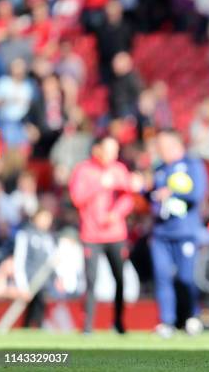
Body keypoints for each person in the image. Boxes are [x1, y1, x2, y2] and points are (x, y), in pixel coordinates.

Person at [69, 135, 140, 334]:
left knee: (120, 278)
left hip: (115, 233)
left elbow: (128, 197)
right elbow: (77, 198)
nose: (114, 155)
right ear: (97, 150)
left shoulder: (119, 169)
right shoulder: (83, 170)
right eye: (110, 150)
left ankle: (118, 322)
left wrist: (115, 214)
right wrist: (100, 184)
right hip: (91, 235)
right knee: (91, 280)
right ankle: (87, 326)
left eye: (116, 151)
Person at [148, 129, 208, 338]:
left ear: (176, 145)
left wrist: (172, 193)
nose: (159, 150)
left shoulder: (192, 165)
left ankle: (191, 316)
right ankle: (167, 321)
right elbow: (153, 197)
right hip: (161, 232)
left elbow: (197, 194)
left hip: (185, 232)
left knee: (185, 277)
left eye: (162, 146)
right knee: (162, 276)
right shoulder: (159, 168)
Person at [13, 207, 57, 328]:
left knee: (40, 309)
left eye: (49, 219)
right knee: (26, 311)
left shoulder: (49, 237)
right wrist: (22, 284)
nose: (46, 222)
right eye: (44, 218)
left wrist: (56, 277)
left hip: (44, 282)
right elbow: (19, 260)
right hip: (30, 281)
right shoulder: (25, 234)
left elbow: (52, 260)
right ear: (36, 218)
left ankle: (37, 329)